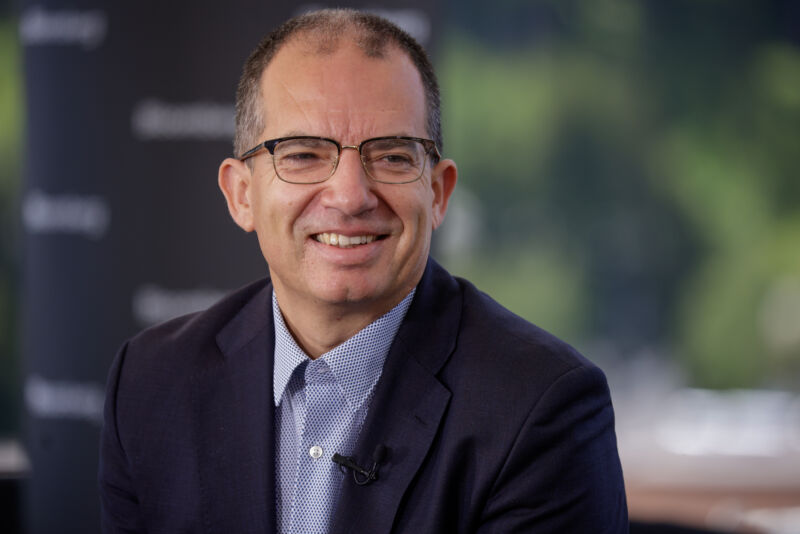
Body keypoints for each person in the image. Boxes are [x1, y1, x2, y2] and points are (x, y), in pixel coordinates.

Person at [98, 8, 628, 534]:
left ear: (438, 192)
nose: (351, 196)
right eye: (303, 155)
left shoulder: (540, 407)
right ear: (241, 195)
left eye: (393, 157)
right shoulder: (150, 384)